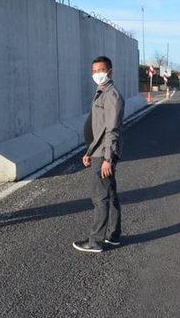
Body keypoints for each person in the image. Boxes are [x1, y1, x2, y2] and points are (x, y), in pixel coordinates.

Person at [73, 56, 125, 253]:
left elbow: (112, 130)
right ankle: (113, 235)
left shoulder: (111, 95)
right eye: (94, 71)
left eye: (101, 70)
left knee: (100, 197)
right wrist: (89, 151)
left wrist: (107, 159)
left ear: (110, 71)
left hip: (105, 153)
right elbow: (98, 129)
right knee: (110, 194)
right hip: (99, 151)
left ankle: (95, 241)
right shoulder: (101, 92)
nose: (97, 74)